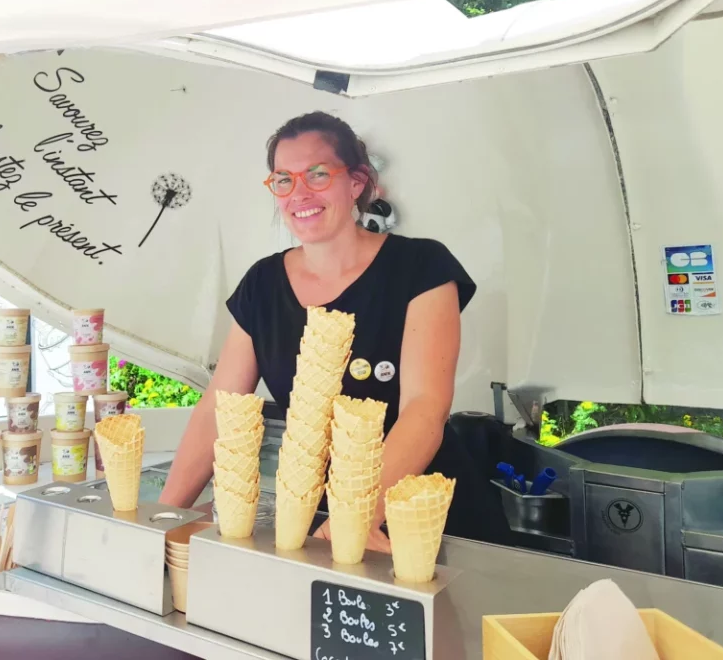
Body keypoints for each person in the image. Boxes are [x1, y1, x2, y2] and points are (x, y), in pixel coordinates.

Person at [159, 111, 511, 549]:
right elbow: (219, 407)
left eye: (318, 174)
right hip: (324, 518)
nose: (298, 193)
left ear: (357, 182)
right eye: (283, 180)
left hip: (424, 519)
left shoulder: (420, 268)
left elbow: (425, 407)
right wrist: (163, 518)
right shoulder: (263, 284)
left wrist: (358, 515)